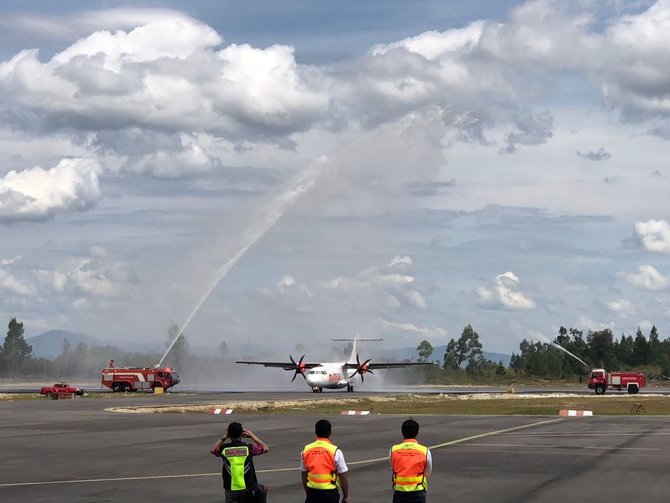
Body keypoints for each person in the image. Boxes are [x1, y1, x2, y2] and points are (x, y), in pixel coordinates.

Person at [210, 421, 270, 503]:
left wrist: (223, 438)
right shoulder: (248, 448)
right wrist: (252, 436)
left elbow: (213, 450)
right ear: (242, 434)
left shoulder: (224, 449)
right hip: (247, 487)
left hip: (231, 488)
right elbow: (265, 448)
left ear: (229, 435)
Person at [301, 419, 349, 503]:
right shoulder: (335, 451)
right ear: (330, 433)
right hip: (329, 493)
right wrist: (345, 496)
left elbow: (304, 474)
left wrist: (308, 492)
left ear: (316, 432)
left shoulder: (306, 450)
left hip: (312, 492)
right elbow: (343, 476)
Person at [389, 418, 432, 503]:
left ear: (402, 432)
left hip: (399, 491)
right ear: (417, 433)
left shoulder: (394, 450)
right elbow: (427, 473)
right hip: (418, 491)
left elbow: (392, 467)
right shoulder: (424, 451)